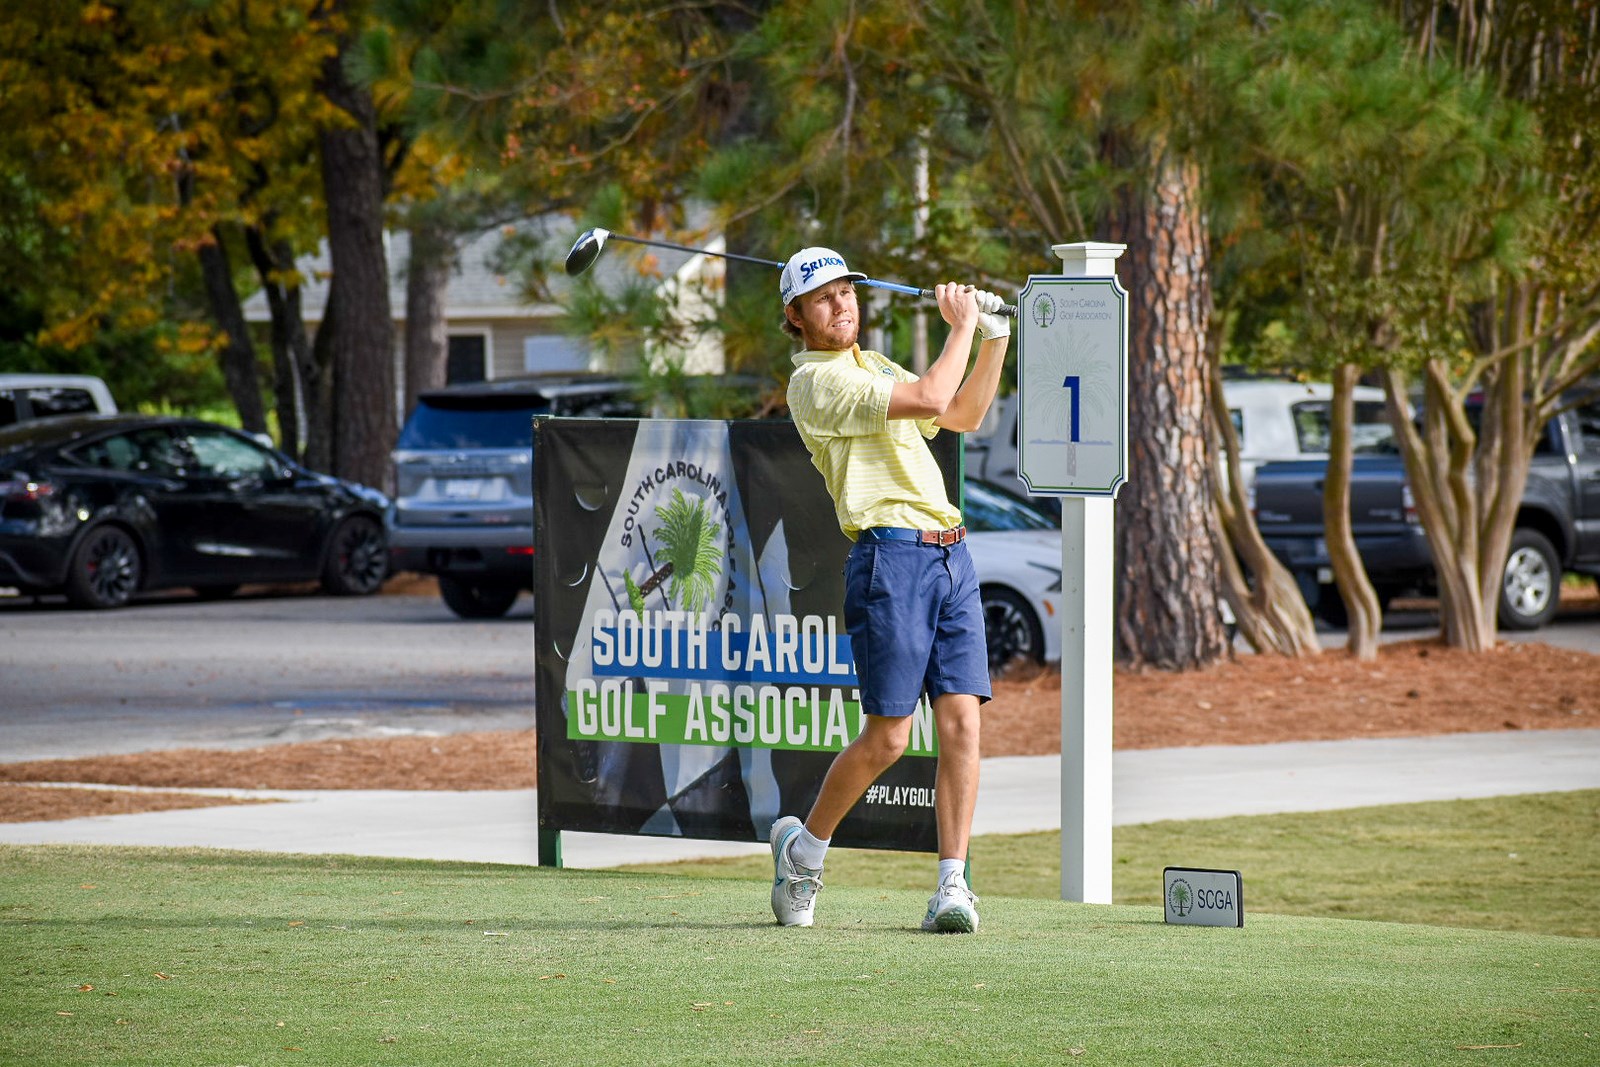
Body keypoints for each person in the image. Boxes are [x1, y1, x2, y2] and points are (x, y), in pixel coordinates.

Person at [770, 246, 1010, 933]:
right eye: (823, 299)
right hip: (891, 558)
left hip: (951, 554)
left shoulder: (874, 364)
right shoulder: (815, 383)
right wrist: (961, 322)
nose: (841, 305)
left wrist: (994, 336)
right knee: (890, 738)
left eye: (847, 293)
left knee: (964, 720)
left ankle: (953, 887)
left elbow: (960, 415)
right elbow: (934, 395)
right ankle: (805, 855)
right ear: (797, 316)